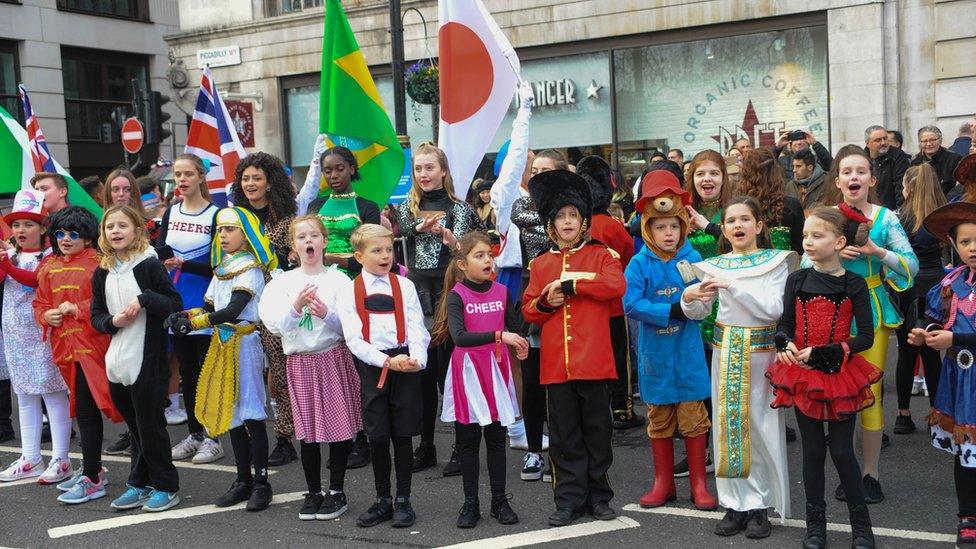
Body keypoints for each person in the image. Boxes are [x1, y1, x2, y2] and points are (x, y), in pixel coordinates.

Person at [681, 196, 797, 539]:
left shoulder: (777, 261)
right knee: (728, 426)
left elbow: (774, 310)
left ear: (759, 225)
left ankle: (761, 503)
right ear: (725, 229)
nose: (737, 226)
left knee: (761, 426)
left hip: (762, 353)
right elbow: (702, 312)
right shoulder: (715, 264)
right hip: (725, 349)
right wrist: (689, 299)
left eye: (745, 219)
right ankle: (734, 503)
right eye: (731, 221)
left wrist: (734, 287)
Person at [766, 207, 881, 549]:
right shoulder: (796, 280)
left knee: (843, 451)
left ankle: (862, 526)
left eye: (818, 236)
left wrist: (826, 351)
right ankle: (815, 525)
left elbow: (867, 338)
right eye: (806, 236)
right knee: (812, 451)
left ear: (839, 241)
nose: (809, 242)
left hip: (839, 374)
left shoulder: (853, 283)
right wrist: (783, 342)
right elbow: (784, 325)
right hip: (803, 375)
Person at [522, 169, 626, 527]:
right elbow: (528, 310)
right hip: (556, 367)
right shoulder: (539, 263)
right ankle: (568, 499)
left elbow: (616, 286)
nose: (567, 221)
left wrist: (572, 285)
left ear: (583, 221)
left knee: (598, 434)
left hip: (595, 363)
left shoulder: (603, 255)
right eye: (561, 216)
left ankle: (599, 496)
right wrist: (548, 301)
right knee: (564, 437)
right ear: (551, 223)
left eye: (573, 215)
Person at [819, 145, 918, 503]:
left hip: (872, 313)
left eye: (861, 171)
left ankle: (870, 473)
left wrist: (878, 252)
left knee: (869, 393)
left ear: (872, 179)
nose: (854, 177)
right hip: (831, 312)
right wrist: (829, 255)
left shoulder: (886, 218)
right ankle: (847, 468)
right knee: (837, 393)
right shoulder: (825, 218)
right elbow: (805, 265)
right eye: (847, 172)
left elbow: (910, 265)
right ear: (838, 180)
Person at [166, 207, 277, 511]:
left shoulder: (251, 269)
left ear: (246, 234)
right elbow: (208, 307)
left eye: (230, 229)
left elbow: (232, 311)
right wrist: (183, 315)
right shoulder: (222, 268)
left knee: (252, 412)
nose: (223, 235)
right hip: (223, 343)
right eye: (220, 230)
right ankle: (242, 480)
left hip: (245, 342)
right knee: (233, 415)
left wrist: (196, 324)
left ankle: (261, 483)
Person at [258, 215, 363, 521]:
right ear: (293, 247)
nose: (308, 241)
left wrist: (327, 314)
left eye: (314, 236)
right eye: (301, 237)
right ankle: (314, 490)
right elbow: (275, 325)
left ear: (324, 241)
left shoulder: (339, 280)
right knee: (309, 432)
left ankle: (337, 490)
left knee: (340, 427)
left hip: (332, 356)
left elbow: (351, 327)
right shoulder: (283, 283)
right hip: (301, 362)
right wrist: (295, 306)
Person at [624, 170, 716, 511]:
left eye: (674, 226)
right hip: (655, 354)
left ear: (683, 226)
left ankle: (698, 484)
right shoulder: (638, 263)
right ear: (648, 227)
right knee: (659, 418)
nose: (668, 233)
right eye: (660, 226)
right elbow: (630, 304)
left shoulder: (691, 259)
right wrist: (673, 309)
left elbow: (706, 298)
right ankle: (663, 483)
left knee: (694, 417)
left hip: (687, 351)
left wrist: (697, 306)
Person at [336, 223, 430, 528]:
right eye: (377, 250)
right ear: (359, 256)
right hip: (374, 366)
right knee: (377, 437)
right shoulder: (350, 290)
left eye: (389, 249)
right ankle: (382, 499)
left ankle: (404, 499)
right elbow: (354, 341)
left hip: (405, 363)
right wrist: (388, 362)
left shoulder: (405, 286)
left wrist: (417, 359)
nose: (385, 255)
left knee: (402, 436)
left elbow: (417, 328)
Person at [431, 231, 527, 528]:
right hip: (469, 371)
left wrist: (520, 341)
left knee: (496, 440)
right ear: (462, 264)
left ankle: (499, 501)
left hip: (496, 372)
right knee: (469, 442)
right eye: (479, 255)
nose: (487, 260)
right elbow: (460, 337)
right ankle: (470, 503)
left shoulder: (501, 292)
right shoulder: (457, 295)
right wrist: (500, 336)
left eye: (489, 254)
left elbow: (516, 326)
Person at [91, 205, 183, 512]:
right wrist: (112, 322)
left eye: (122, 226)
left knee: (150, 425)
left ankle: (166, 486)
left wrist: (144, 300)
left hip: (149, 358)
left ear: (136, 231)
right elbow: (96, 316)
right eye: (110, 227)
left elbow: (173, 303)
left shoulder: (149, 265)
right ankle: (140, 482)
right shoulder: (102, 270)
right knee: (136, 427)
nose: (115, 231)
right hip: (117, 359)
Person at [396, 143, 481, 474]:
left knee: (452, 373)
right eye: (418, 169)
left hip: (451, 294)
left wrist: (451, 241)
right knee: (423, 376)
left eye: (429, 168)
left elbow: (475, 248)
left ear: (443, 171)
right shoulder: (409, 207)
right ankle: (426, 445)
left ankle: (462, 446)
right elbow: (399, 231)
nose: (423, 174)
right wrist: (418, 227)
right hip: (418, 296)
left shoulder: (461, 209)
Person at [33, 206, 123, 504]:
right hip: (65, 349)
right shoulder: (48, 267)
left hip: (95, 348)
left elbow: (108, 302)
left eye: (73, 233)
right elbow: (39, 304)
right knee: (84, 409)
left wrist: (79, 309)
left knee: (94, 408)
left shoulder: (100, 265)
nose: (66, 239)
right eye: (60, 233)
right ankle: (93, 469)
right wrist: (47, 316)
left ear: (87, 238)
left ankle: (95, 475)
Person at [908, 200, 976, 547]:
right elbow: (933, 313)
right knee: (966, 453)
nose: (972, 248)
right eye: (965, 242)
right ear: (954, 246)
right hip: (961, 381)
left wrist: (956, 338)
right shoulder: (952, 281)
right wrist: (925, 331)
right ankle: (967, 516)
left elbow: (959, 332)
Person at [230, 152, 302, 468]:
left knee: (280, 370)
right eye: (245, 178)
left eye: (256, 178)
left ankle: (285, 438)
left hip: (274, 304)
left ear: (270, 183)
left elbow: (292, 260)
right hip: (241, 305)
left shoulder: (286, 222)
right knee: (246, 372)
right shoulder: (233, 220)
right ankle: (251, 429)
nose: (250, 184)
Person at [488, 83, 543, 480]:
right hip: (510, 280)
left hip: (540, 279)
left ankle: (533, 428)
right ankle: (520, 427)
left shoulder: (546, 198)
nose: (529, 165)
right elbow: (514, 158)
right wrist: (523, 112)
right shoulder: (504, 196)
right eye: (527, 162)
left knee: (538, 359)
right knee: (515, 357)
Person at [0, 190, 72, 485]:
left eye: (28, 224)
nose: (20, 231)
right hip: (15, 332)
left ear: (43, 228)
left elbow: (33, 281)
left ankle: (62, 458)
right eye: (16, 225)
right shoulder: (11, 253)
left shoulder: (51, 256)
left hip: (44, 332)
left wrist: (6, 264)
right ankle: (30, 457)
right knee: (25, 396)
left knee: (53, 394)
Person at [159, 154, 222, 464]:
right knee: (187, 370)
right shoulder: (170, 212)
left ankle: (213, 435)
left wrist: (186, 263)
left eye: (187, 174)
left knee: (208, 370)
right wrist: (165, 262)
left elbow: (218, 263)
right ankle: (196, 433)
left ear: (201, 177)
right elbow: (159, 251)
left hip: (205, 300)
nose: (181, 180)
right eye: (177, 174)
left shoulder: (216, 214)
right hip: (176, 299)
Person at [577, 156, 640, 430]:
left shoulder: (577, 223)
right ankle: (622, 409)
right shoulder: (612, 225)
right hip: (613, 304)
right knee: (618, 358)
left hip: (585, 307)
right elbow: (628, 254)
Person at [893, 164, 946, 434]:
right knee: (933, 354)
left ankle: (903, 415)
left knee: (906, 351)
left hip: (908, 287)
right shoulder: (942, 213)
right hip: (936, 286)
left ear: (910, 187)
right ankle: (937, 415)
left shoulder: (900, 217)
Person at [737, 148, 805, 255]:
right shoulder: (792, 205)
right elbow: (800, 248)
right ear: (775, 171)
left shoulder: (738, 207)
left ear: (745, 174)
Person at [864, 124, 911, 211]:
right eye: (878, 140)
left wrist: (899, 214)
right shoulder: (861, 159)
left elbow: (901, 188)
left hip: (892, 212)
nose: (883, 143)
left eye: (885, 139)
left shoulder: (898, 156)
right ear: (867, 143)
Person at [911, 125, 963, 196]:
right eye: (924, 141)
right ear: (920, 143)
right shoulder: (915, 163)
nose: (929, 144)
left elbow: (958, 188)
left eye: (933, 140)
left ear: (940, 140)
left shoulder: (954, 159)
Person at [785, 147, 828, 214]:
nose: (794, 170)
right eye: (793, 166)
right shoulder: (790, 186)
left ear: (810, 167)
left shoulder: (826, 183)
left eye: (798, 166)